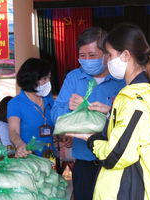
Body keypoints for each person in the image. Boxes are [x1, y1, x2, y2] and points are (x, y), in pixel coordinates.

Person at [66, 23, 150, 200]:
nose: (106, 61)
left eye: (109, 55)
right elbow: (137, 134)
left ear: (125, 55)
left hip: (131, 189)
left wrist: (88, 136)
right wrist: (110, 113)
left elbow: (113, 156)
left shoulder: (134, 99)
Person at [50, 27, 126, 200]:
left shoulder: (122, 80)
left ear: (107, 54)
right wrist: (70, 110)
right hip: (84, 162)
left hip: (116, 163)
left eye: (92, 55)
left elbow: (130, 119)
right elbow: (55, 116)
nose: (86, 60)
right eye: (82, 56)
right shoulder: (73, 78)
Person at [8, 58, 55, 157]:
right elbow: (13, 131)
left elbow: (55, 122)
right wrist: (19, 144)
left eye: (49, 78)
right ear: (32, 80)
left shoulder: (48, 98)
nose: (49, 82)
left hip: (51, 157)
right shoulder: (15, 103)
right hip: (30, 158)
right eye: (45, 79)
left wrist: (63, 135)